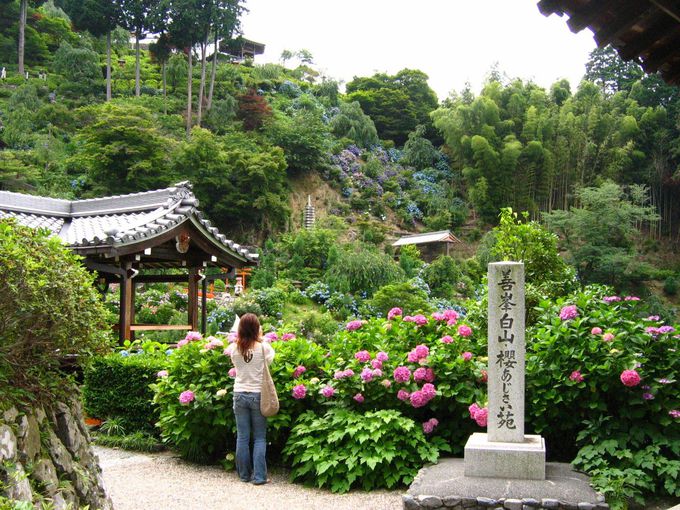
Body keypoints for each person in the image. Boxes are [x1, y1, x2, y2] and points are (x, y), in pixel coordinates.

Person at [224, 313, 275, 484]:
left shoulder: (234, 348)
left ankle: (244, 475)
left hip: (239, 394)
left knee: (242, 437)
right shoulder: (264, 347)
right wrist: (260, 338)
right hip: (258, 395)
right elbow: (270, 361)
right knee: (260, 437)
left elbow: (237, 364)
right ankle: (260, 477)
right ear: (256, 328)